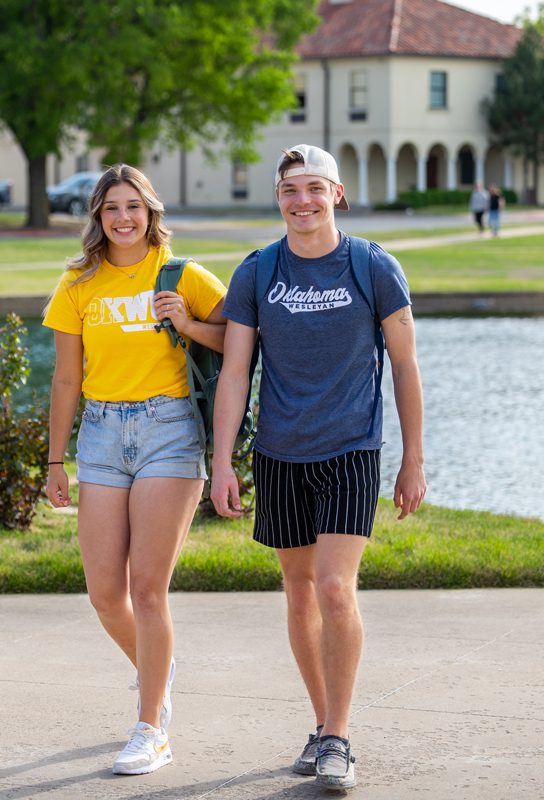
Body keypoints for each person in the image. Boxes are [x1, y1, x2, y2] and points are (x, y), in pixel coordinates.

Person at [210, 144, 426, 790]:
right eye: (289, 190)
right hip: (279, 451)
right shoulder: (257, 272)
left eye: (313, 188)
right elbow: (235, 372)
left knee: (335, 588)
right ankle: (321, 723)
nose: (301, 201)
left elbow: (407, 366)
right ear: (278, 200)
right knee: (300, 591)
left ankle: (338, 736)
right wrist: (223, 460)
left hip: (352, 448)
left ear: (336, 194)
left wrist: (413, 458)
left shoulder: (371, 267)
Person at [43, 164, 227, 776]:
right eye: (111, 208)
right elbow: (67, 377)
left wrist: (188, 322)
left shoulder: (181, 274)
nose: (124, 218)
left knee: (147, 588)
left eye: (134, 207)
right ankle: (159, 668)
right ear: (97, 216)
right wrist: (54, 459)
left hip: (169, 431)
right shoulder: (77, 284)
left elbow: (242, 338)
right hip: (99, 433)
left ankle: (152, 728)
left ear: (151, 213)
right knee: (103, 593)